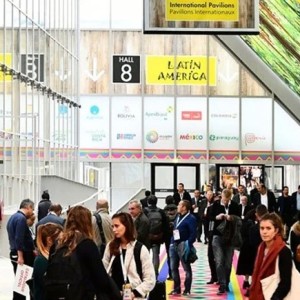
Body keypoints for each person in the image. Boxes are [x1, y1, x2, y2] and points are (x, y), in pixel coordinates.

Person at [52, 205, 112, 299]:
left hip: (58, 293)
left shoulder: (57, 243)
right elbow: (101, 279)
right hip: (81, 294)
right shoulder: (87, 244)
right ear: (87, 223)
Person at [102, 212, 156, 299]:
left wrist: (134, 293)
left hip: (133, 295)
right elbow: (104, 270)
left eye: (117, 226)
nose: (114, 230)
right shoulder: (110, 246)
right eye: (112, 227)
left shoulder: (140, 248)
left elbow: (150, 279)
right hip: (112, 294)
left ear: (126, 226)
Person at [249, 213, 292, 300]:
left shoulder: (283, 251)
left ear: (276, 230)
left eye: (268, 228)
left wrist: (275, 298)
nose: (264, 232)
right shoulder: (261, 247)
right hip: (259, 294)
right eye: (262, 228)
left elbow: (285, 283)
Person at [210, 188, 240, 295]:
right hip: (217, 236)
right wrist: (216, 217)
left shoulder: (235, 205)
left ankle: (226, 282)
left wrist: (231, 217)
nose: (226, 201)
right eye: (224, 198)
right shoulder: (216, 205)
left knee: (228, 263)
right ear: (221, 196)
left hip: (230, 237)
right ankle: (222, 284)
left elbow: (239, 219)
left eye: (228, 199)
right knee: (219, 262)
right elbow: (209, 217)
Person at [6, 199, 35, 300]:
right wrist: (21, 256)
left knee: (20, 282)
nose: (32, 212)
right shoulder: (21, 219)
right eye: (32, 209)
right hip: (22, 254)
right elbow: (19, 238)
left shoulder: (13, 217)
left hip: (15, 252)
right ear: (28, 207)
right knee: (22, 282)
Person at [169, 200, 197, 296]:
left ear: (184, 207)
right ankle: (177, 288)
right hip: (174, 245)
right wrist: (172, 242)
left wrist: (187, 244)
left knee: (186, 268)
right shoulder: (178, 216)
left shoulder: (191, 218)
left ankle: (187, 289)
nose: (177, 206)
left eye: (179, 205)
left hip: (183, 246)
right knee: (173, 268)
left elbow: (193, 234)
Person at [33, 223, 63, 300]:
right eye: (60, 240)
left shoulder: (52, 257)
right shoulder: (41, 260)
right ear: (49, 240)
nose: (63, 243)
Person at [144, 195, 169, 277]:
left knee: (145, 256)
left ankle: (146, 273)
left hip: (147, 238)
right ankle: (155, 273)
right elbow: (165, 226)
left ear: (148, 202)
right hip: (157, 237)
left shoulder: (145, 211)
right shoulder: (161, 212)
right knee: (156, 256)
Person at [163, 195, 178, 280]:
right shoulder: (177, 209)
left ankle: (171, 274)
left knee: (169, 253)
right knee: (177, 252)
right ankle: (176, 272)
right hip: (176, 232)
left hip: (167, 234)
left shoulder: (164, 210)